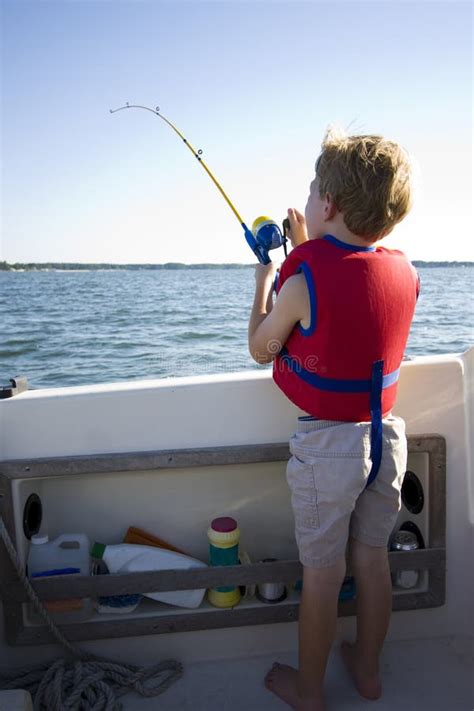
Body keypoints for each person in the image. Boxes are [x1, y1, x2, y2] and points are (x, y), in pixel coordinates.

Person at [247, 127, 419, 711]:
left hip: (329, 450)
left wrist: (265, 280)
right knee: (371, 561)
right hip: (387, 440)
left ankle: (311, 691)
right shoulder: (405, 271)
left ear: (329, 204)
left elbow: (261, 347)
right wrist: (310, 242)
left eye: (316, 186)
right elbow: (353, 280)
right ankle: (368, 674)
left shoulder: (300, 280)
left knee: (321, 576)